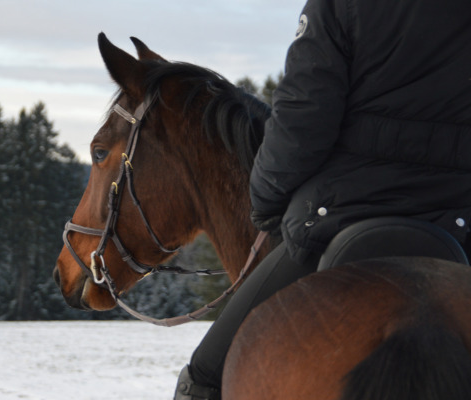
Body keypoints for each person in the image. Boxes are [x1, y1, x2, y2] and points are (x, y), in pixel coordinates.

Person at [174, 0, 471, 398]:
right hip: (460, 224)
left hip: (338, 219)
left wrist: (264, 203)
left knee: (204, 378)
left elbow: (301, 123)